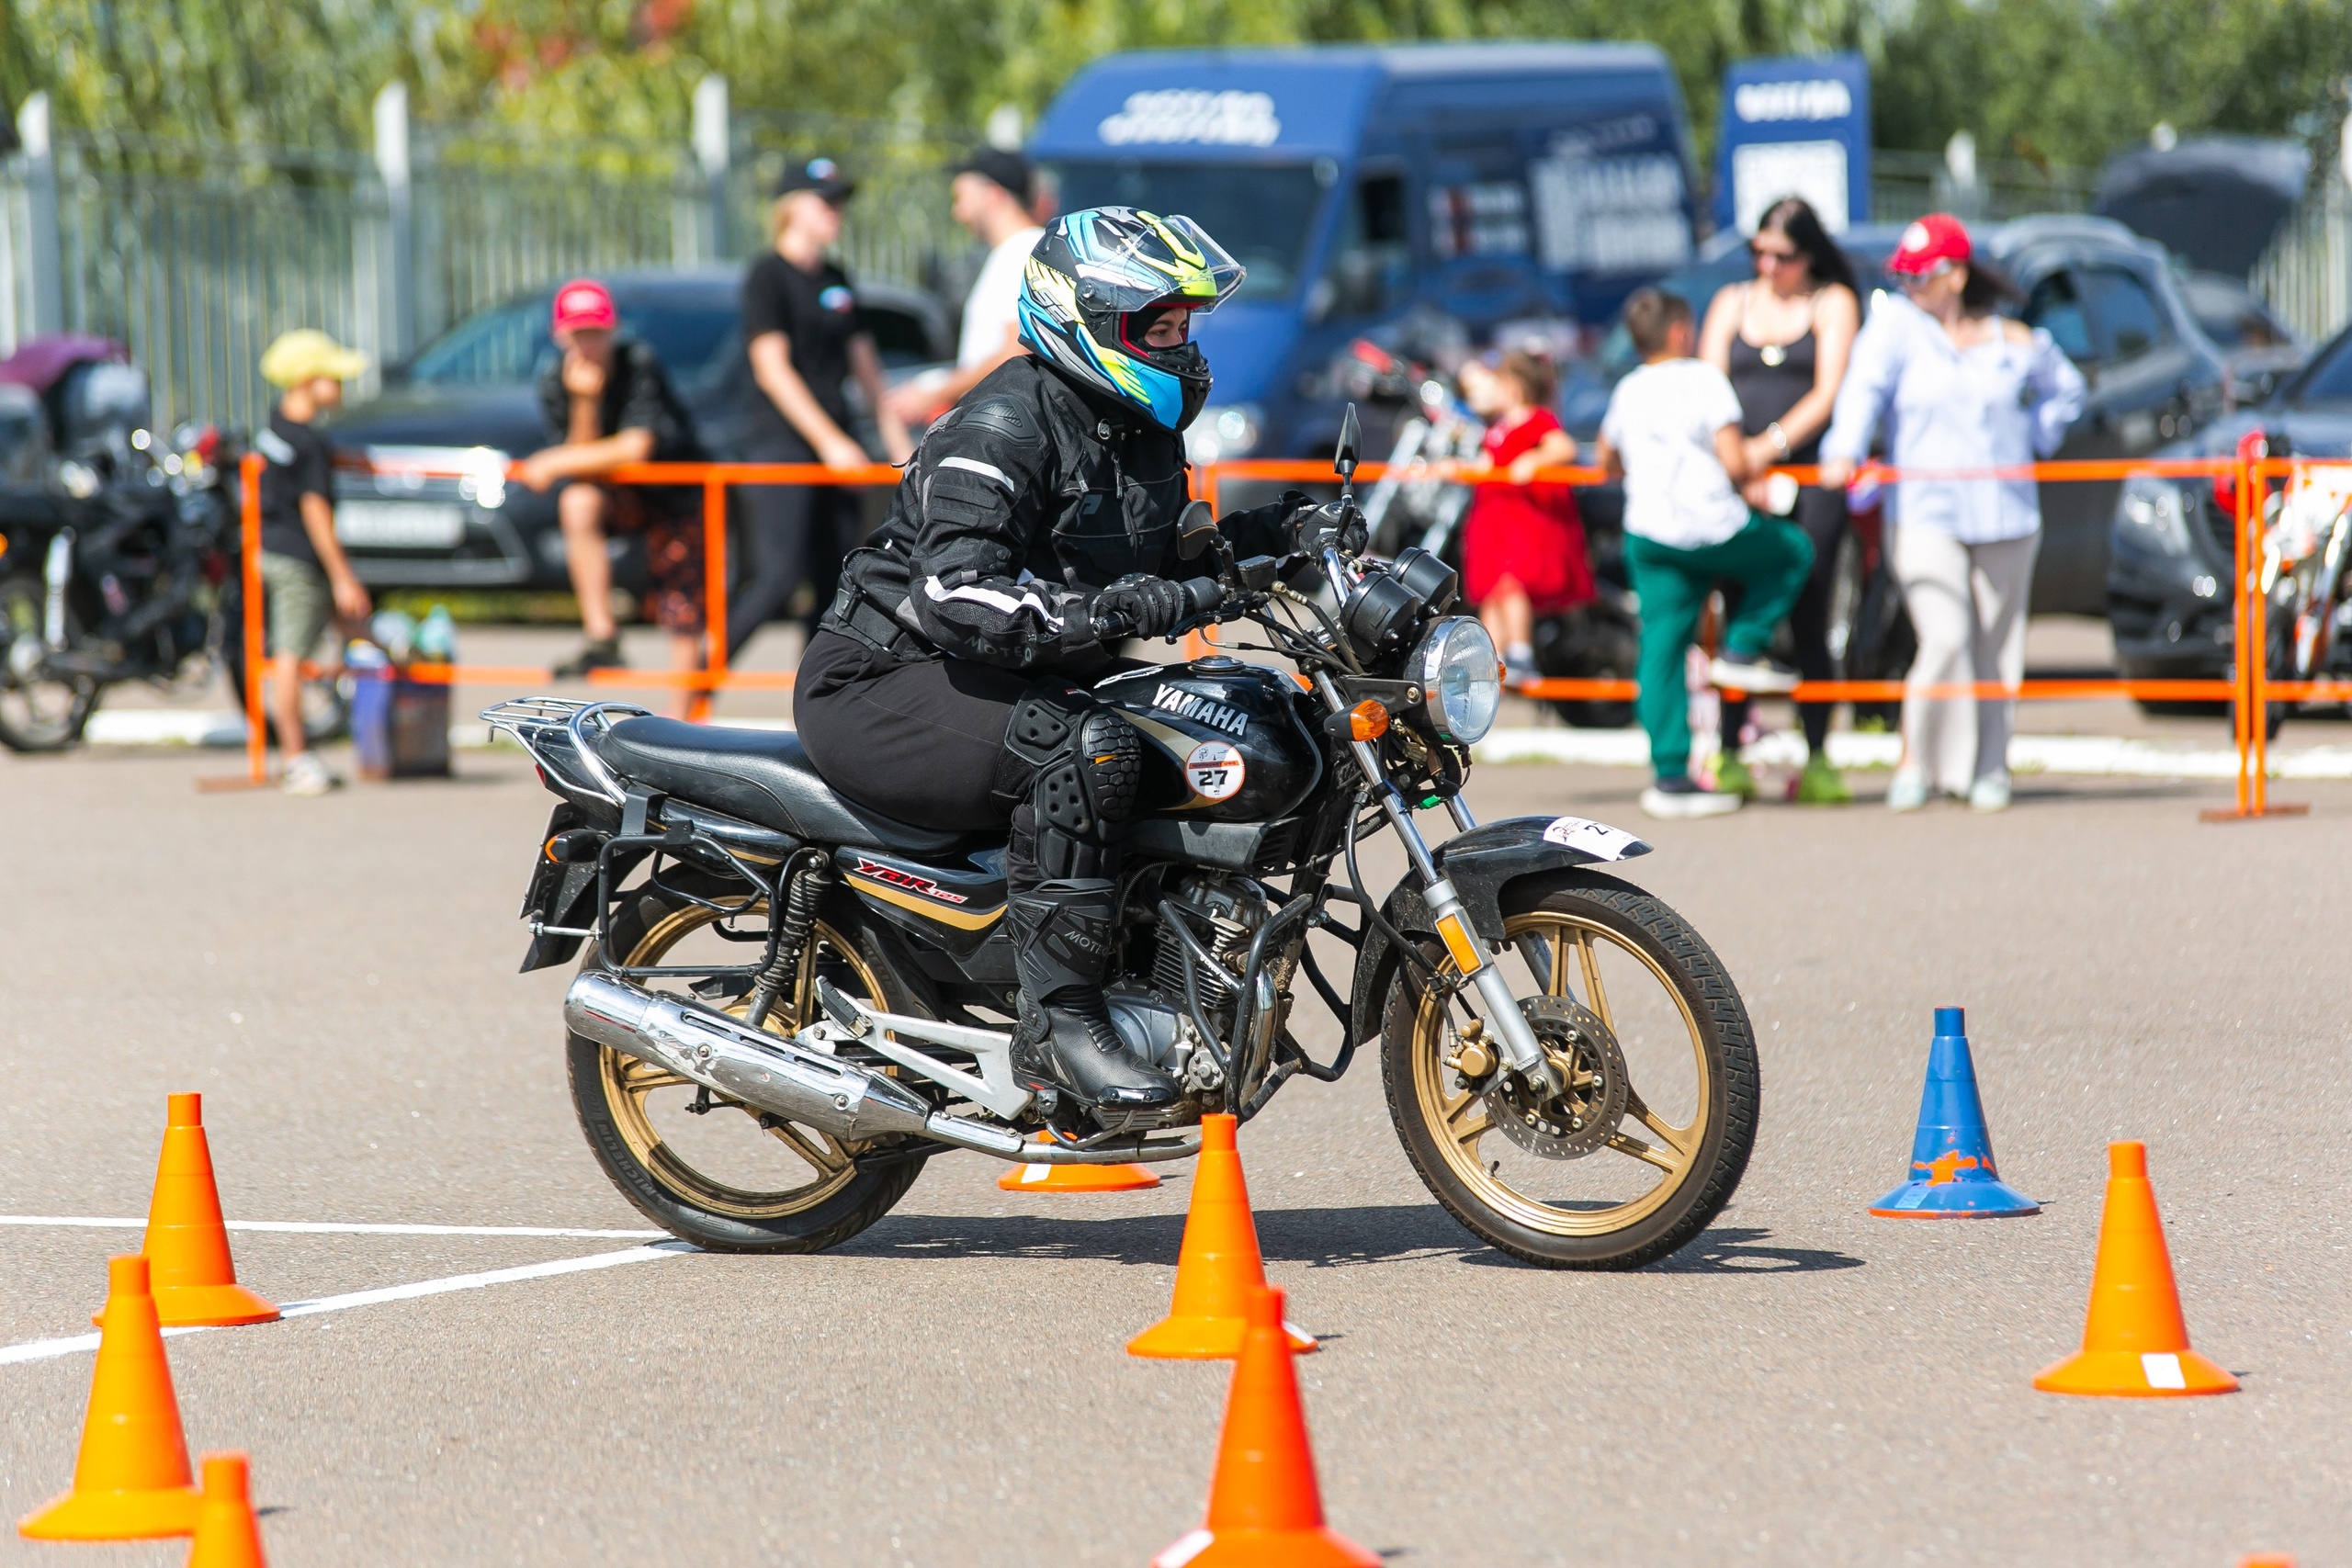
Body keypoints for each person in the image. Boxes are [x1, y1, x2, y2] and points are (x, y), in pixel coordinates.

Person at [795, 207, 1328, 1122]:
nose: (1179, 347)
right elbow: (959, 596)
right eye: (1156, 329)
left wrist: (1285, 534)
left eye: (1182, 329)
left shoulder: (1137, 429)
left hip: (1008, 676)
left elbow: (1163, 561)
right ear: (1084, 318)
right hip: (884, 678)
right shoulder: (1003, 424)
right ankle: (1059, 1030)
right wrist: (1127, 608)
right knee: (1089, 751)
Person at [1819, 214, 2086, 813]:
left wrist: (2039, 434)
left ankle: (1990, 766)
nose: (1911, 286)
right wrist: (1845, 449)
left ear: (1957, 276)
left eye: (1923, 275)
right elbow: (1862, 390)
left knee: (1996, 645)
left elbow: (2067, 393)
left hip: (2005, 511)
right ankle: (1917, 759)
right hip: (1924, 509)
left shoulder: (2014, 340)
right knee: (1943, 635)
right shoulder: (1895, 329)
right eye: (1904, 275)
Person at [1596, 288, 1814, 820]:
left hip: (1652, 533)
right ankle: (1743, 646)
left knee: (1661, 651)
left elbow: (1607, 457)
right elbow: (1735, 460)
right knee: (1791, 553)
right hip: (1714, 526)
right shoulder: (1703, 379)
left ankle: (1671, 773)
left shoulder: (1628, 388)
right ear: (1677, 331)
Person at [1698, 196, 1862, 805]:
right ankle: (1731, 750)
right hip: (1738, 478)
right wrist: (1736, 463)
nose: (1768, 265)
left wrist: (1766, 449)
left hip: (1809, 476)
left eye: (1783, 255)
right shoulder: (1730, 302)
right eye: (1758, 252)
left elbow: (1828, 392)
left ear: (1809, 255)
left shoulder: (1832, 302)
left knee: (1810, 609)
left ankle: (1818, 753)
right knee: (1736, 609)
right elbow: (1709, 383)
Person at [729, 157, 913, 667]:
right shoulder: (767, 275)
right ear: (792, 207)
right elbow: (772, 369)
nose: (837, 211)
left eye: (840, 201)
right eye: (825, 200)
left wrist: (900, 448)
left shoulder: (835, 277)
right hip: (782, 444)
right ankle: (697, 686)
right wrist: (830, 441)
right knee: (779, 578)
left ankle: (811, 706)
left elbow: (868, 370)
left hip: (840, 448)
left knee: (836, 580)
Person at [515, 278, 707, 718]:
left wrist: (553, 462)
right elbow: (584, 458)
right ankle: (602, 635)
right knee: (577, 502)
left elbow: (636, 447)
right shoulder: (555, 378)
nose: (589, 344)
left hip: (676, 494)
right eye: (579, 333)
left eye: (596, 332)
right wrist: (586, 401)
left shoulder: (638, 361)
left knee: (683, 614)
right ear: (560, 335)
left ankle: (682, 727)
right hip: (622, 494)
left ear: (613, 329)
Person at [254, 329, 373, 796]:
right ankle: (296, 757)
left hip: (268, 550)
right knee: (291, 658)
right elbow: (316, 511)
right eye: (333, 377)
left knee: (345, 638)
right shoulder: (310, 445)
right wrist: (344, 577)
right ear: (307, 380)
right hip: (300, 560)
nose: (341, 387)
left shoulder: (273, 427)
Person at [1445, 349, 1589, 685]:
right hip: (1493, 521)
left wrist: (1535, 459)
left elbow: (1563, 447)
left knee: (1511, 586)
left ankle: (1521, 653)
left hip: (1521, 523)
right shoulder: (1498, 428)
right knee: (1493, 591)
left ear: (1514, 387)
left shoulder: (1536, 420)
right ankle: (1489, 657)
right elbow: (1485, 465)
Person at [882, 147, 1046, 427]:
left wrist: (934, 393)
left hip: (1006, 425)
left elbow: (1017, 351)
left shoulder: (1022, 252)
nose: (958, 212)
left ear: (992, 195)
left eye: (962, 199)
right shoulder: (1017, 251)